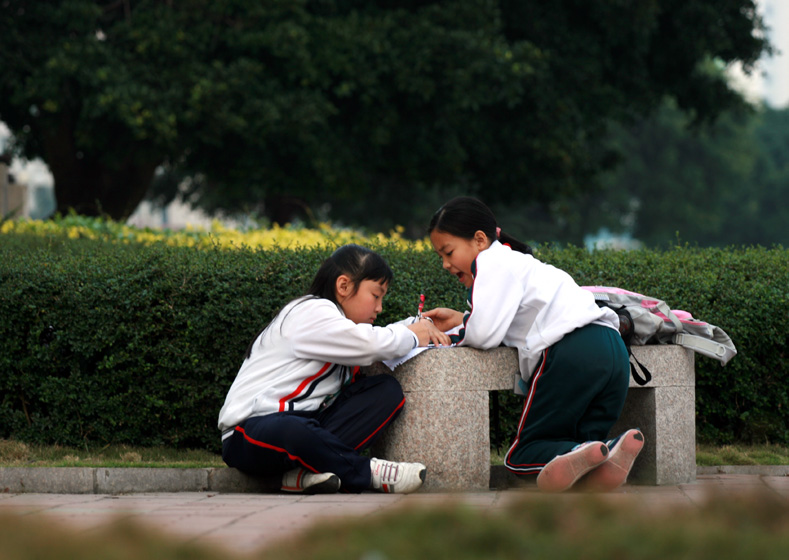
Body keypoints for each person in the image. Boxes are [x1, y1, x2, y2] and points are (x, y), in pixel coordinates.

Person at [423, 197, 643, 492]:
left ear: (479, 240)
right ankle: (609, 454)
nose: (445, 265)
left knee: (523, 454)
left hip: (573, 353)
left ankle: (600, 450)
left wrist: (439, 336)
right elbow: (504, 319)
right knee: (584, 450)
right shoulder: (519, 262)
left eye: (448, 252)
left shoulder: (490, 261)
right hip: (613, 351)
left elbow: (483, 334)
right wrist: (462, 319)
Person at [218, 244, 450, 494]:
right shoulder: (311, 311)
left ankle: (304, 474)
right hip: (250, 433)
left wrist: (419, 326)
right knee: (295, 430)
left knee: (386, 392)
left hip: (309, 425)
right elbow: (369, 344)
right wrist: (414, 334)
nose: (379, 307)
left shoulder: (338, 324)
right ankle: (369, 473)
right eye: (376, 295)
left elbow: (370, 338)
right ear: (343, 286)